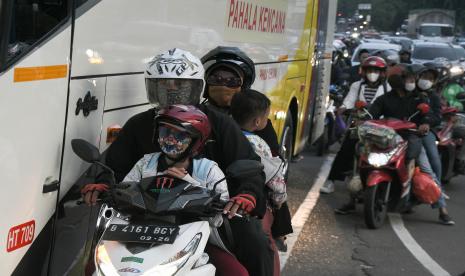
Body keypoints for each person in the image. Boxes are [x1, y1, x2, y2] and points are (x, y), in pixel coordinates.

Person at [81, 48, 274, 276]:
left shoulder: (221, 124)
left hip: (209, 215)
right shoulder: (138, 124)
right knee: (96, 263)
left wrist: (246, 194)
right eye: (163, 85)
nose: (171, 92)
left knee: (256, 244)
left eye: (179, 86)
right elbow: (115, 166)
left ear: (196, 89)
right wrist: (103, 183)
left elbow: (247, 166)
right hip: (144, 215)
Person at [121, 104, 250, 275]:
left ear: (197, 141)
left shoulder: (209, 170)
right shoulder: (146, 163)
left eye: (179, 135)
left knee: (237, 273)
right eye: (165, 132)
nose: (170, 139)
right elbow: (124, 190)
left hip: (194, 241)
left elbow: (217, 218)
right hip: (143, 235)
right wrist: (108, 191)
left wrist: (188, 184)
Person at [202, 46, 294, 252]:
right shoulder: (196, 115)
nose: (223, 85)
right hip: (200, 195)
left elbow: (271, 170)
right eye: (217, 78)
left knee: (258, 246)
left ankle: (278, 234)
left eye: (231, 80)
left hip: (241, 198)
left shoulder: (261, 131)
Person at [368, 70, 454, 225]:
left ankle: (442, 208)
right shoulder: (385, 98)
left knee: (428, 169)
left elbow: (431, 116)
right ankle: (352, 198)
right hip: (388, 139)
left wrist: (426, 123)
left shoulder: (419, 99)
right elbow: (372, 112)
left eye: (411, 80)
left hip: (411, 139)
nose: (409, 83)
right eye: (406, 80)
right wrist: (363, 117)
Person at [230, 89, 288, 276]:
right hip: (255, 202)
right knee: (268, 247)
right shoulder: (259, 143)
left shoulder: (223, 134)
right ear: (257, 122)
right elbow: (275, 178)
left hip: (226, 200)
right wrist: (279, 201)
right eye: (266, 118)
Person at [321, 56, 390, 197]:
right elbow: (349, 101)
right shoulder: (356, 86)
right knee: (345, 149)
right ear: (364, 71)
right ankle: (331, 181)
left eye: (376, 70)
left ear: (382, 73)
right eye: (370, 70)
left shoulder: (388, 89)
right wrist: (342, 108)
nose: (373, 73)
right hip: (358, 125)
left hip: (380, 127)